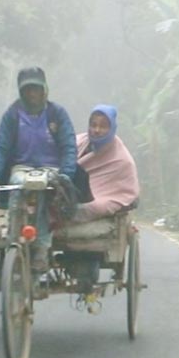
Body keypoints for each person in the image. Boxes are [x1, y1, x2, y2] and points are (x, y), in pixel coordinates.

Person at [0, 67, 77, 272]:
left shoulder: (56, 114)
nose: (32, 94)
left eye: (36, 88)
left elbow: (69, 146)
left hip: (51, 169)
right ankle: (14, 237)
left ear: (44, 89)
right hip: (21, 168)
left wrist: (66, 174)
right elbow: (1, 147)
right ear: (21, 91)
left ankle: (42, 248)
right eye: (27, 89)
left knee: (44, 190)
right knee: (17, 185)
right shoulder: (12, 115)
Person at [62, 103, 139, 291]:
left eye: (103, 125)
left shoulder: (122, 159)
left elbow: (127, 191)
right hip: (70, 194)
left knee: (90, 208)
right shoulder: (77, 142)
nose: (96, 130)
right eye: (93, 124)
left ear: (112, 127)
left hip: (98, 201)